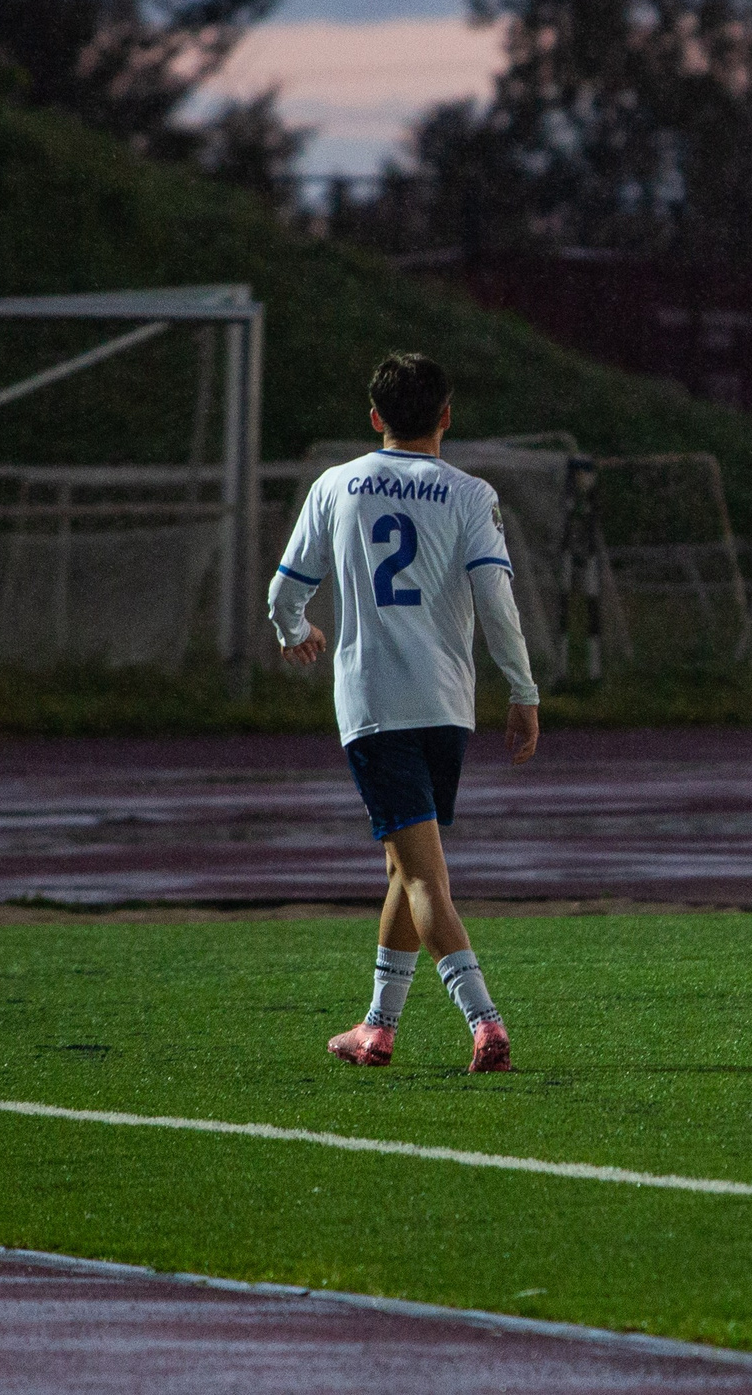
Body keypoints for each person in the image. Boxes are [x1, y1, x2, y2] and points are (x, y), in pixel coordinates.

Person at [270, 352, 541, 1071]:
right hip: (448, 706)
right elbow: (496, 600)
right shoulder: (470, 493)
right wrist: (522, 689)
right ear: (446, 416)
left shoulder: (335, 484)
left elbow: (284, 591)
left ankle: (485, 1023)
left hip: (375, 703)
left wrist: (294, 632)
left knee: (422, 876)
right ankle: (377, 1028)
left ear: (374, 418)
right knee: (405, 865)